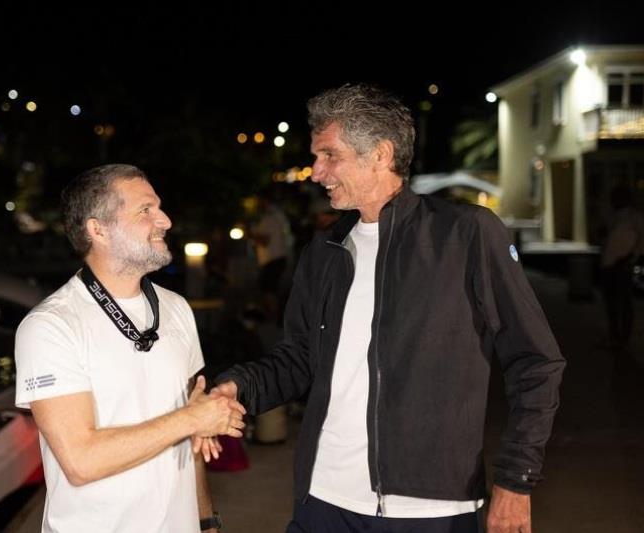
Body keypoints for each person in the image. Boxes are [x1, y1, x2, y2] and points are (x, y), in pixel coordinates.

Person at [210, 84, 565, 533]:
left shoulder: (465, 235)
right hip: (323, 501)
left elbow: (536, 362)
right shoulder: (325, 251)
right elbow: (298, 360)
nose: (316, 172)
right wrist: (238, 387)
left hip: (431, 512)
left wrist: (517, 480)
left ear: (380, 154)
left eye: (329, 156)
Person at [15, 164, 245, 533]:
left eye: (160, 207)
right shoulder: (50, 326)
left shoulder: (176, 309)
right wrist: (192, 419)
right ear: (98, 229)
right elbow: (81, 461)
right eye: (146, 210)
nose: (165, 220)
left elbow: (194, 435)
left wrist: (206, 520)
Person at [600, 184, 644, 355]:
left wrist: (630, 257)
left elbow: (642, 240)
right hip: (608, 263)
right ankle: (614, 335)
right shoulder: (613, 215)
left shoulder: (635, 217)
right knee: (611, 303)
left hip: (623, 264)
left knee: (624, 302)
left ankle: (623, 338)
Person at [250, 188, 294, 323]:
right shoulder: (280, 216)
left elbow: (264, 240)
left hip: (272, 258)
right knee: (272, 289)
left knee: (268, 289)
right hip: (280, 256)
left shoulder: (270, 217)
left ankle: (273, 318)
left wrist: (250, 234)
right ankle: (275, 318)